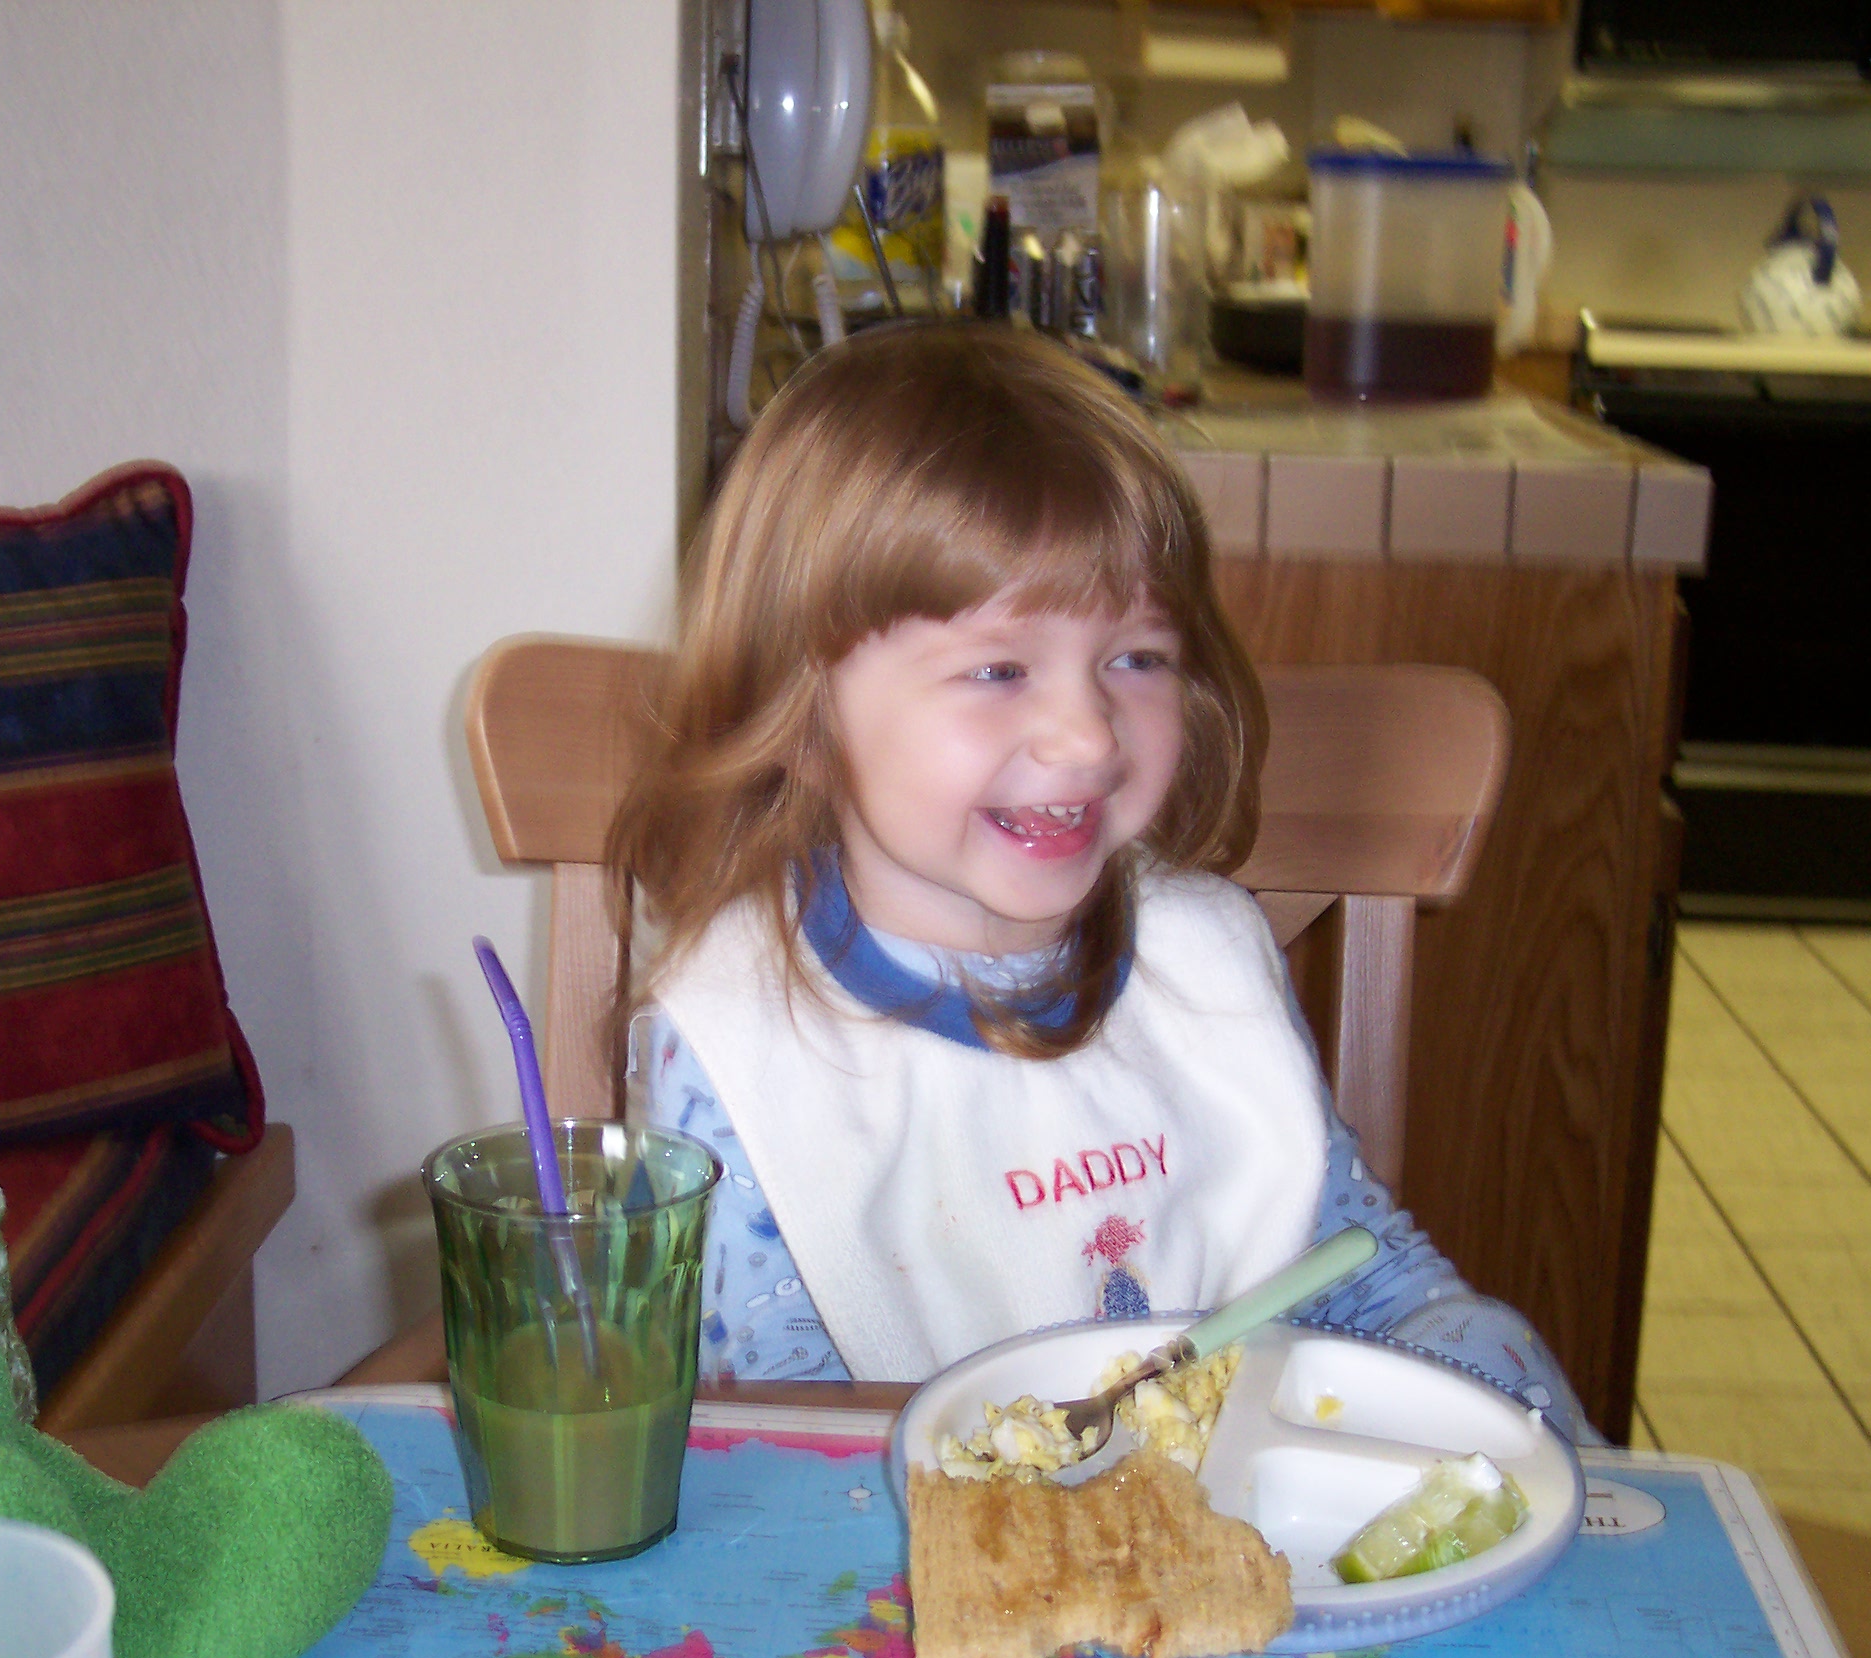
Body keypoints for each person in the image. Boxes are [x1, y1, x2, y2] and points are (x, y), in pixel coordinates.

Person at [607, 324, 1594, 1443]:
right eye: (997, 668)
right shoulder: (739, 1039)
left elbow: (1354, 1275)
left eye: (1137, 658)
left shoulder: (1203, 961)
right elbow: (776, 1442)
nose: (1086, 735)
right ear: (802, 712)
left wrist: (1492, 1383)